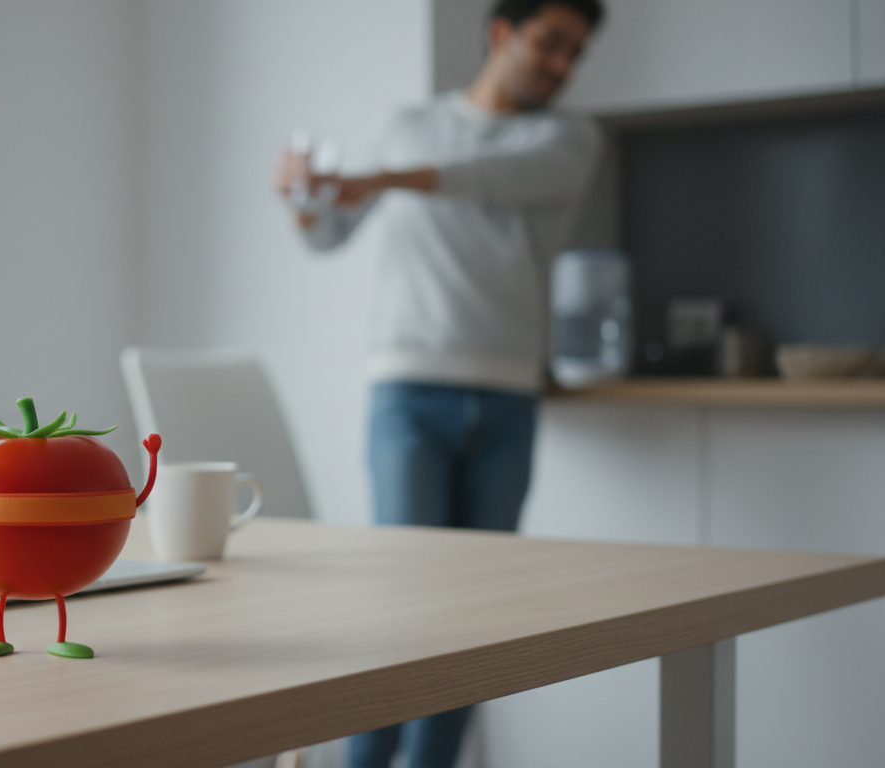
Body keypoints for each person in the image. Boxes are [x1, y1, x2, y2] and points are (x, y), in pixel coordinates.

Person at [274, 1, 606, 767]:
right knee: (401, 613)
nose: (562, 65)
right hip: (408, 392)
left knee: (475, 624)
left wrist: (375, 178)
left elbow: (489, 177)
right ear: (502, 34)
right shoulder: (407, 124)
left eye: (575, 54)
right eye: (551, 43)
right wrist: (299, 196)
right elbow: (327, 232)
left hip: (507, 397)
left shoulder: (566, 138)